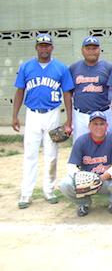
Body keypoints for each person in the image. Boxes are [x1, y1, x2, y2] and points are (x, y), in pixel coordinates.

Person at [13, 34, 74, 209]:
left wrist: (69, 120)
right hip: (32, 114)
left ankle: (49, 190)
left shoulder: (60, 68)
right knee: (30, 154)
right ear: (36, 48)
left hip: (53, 113)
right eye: (41, 45)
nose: (44, 48)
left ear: (52, 48)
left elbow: (67, 94)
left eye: (47, 45)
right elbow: (19, 92)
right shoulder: (26, 67)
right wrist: (15, 115)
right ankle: (26, 193)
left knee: (51, 154)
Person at [59, 111, 112, 217]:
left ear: (107, 126)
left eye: (101, 124)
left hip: (106, 181)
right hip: (85, 183)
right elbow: (71, 165)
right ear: (89, 126)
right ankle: (84, 203)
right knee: (64, 184)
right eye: (95, 124)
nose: (98, 127)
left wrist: (105, 176)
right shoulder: (81, 141)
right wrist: (81, 177)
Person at [70, 36, 112, 142]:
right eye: (88, 48)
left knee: (106, 145)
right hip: (81, 115)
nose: (91, 51)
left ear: (99, 50)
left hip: (103, 112)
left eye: (94, 48)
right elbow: (69, 92)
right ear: (82, 50)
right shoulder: (73, 68)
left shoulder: (109, 67)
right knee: (80, 145)